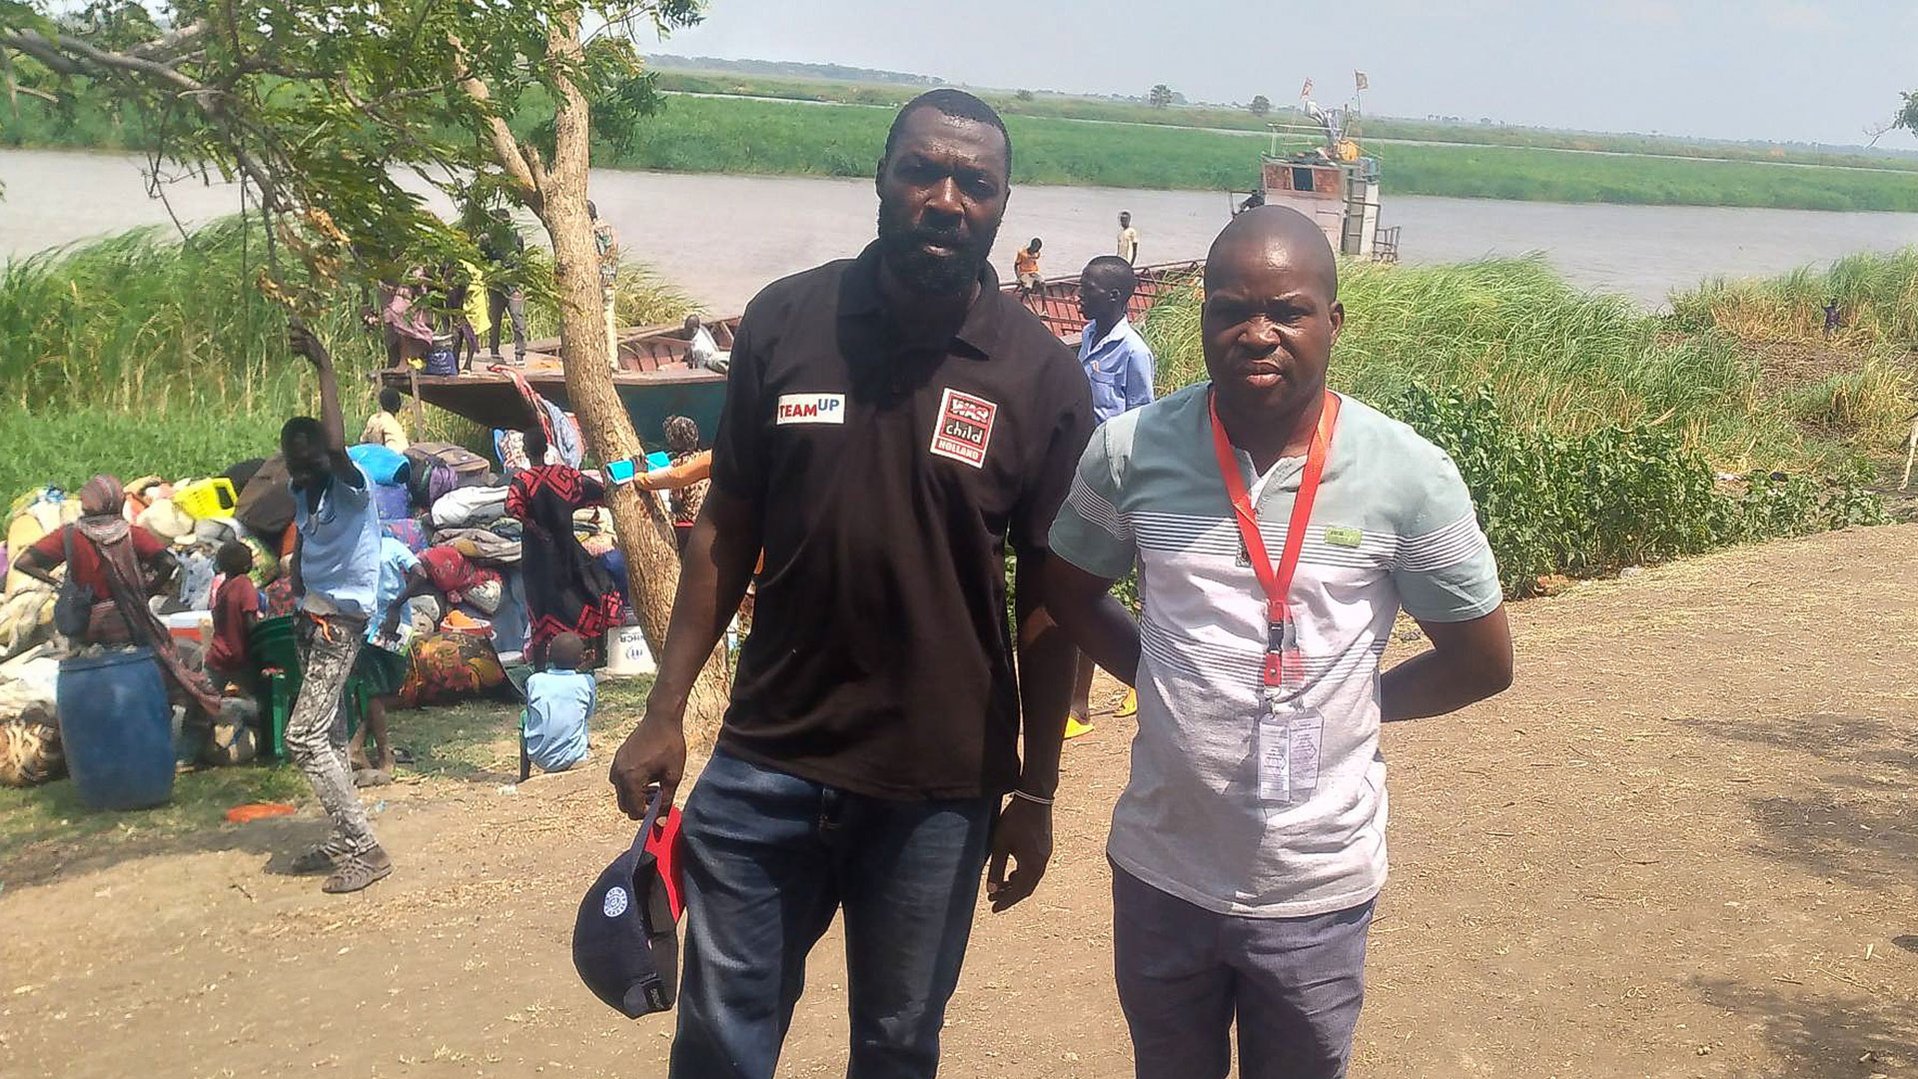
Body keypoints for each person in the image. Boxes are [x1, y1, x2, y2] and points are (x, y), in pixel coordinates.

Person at [609, 88, 1093, 1079]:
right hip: (766, 760)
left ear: (1000, 208)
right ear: (882, 175)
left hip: (938, 783)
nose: (946, 198)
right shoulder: (790, 319)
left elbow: (1048, 607)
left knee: (896, 1043)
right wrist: (667, 709)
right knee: (719, 1041)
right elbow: (728, 523)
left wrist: (1036, 787)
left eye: (975, 184)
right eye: (924, 170)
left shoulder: (1041, 378)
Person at [1044, 207, 1515, 1079]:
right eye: (1230, 308)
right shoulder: (1129, 452)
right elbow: (1067, 590)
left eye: (1288, 310)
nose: (1257, 332)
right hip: (1163, 868)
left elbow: (1484, 661)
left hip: (1316, 886)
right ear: (1202, 319)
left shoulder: (1406, 474)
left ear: (1333, 323)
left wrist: (1355, 703)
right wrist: (1163, 674)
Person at [281, 321, 393, 894]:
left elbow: (336, 445)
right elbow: (304, 542)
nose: (300, 471)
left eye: (308, 459)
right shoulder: (307, 491)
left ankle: (365, 847)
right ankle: (341, 834)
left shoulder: (351, 485)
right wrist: (294, 580)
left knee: (301, 737)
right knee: (327, 734)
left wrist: (326, 365)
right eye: (292, 462)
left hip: (339, 623)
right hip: (312, 617)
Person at [14, 475, 225, 739]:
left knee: (96, 681)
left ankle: (103, 739)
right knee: (161, 668)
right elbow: (168, 563)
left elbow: (25, 562)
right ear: (117, 501)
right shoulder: (131, 534)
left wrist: (58, 584)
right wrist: (146, 589)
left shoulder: (69, 535)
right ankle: (166, 730)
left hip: (84, 623)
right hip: (128, 620)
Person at [1065, 255, 1157, 739]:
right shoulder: (1088, 338)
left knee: (1117, 584)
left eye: (1088, 289)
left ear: (1116, 297)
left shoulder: (1133, 352)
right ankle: (1085, 701)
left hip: (1119, 484)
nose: (1079, 296)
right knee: (1084, 580)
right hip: (1085, 474)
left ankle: (1092, 700)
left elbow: (1140, 422)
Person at [506, 424, 623, 666]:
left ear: (526, 451)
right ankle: (598, 656)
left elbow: (512, 507)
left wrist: (535, 527)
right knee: (593, 591)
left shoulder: (522, 480)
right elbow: (598, 491)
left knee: (540, 608)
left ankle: (539, 667)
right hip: (566, 549)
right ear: (547, 449)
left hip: (537, 556)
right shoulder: (566, 475)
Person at [347, 536, 432, 787]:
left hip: (368, 627)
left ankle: (357, 744)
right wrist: (396, 605)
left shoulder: (353, 549)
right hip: (390, 627)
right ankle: (383, 754)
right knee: (380, 693)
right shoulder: (392, 546)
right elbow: (421, 574)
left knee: (385, 691)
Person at [522, 630, 597, 773]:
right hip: (574, 758)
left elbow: (531, 709)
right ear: (582, 658)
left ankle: (524, 774)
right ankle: (579, 751)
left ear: (549, 655)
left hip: (539, 757)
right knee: (580, 717)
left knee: (525, 716)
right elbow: (588, 713)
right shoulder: (587, 681)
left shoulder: (535, 680)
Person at [636, 415, 712, 552]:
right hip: (703, 522)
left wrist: (642, 477)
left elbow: (676, 500)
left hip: (684, 526)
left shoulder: (677, 465)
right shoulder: (703, 459)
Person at [205, 541, 261, 693]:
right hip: (238, 658)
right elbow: (250, 623)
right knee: (256, 702)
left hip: (217, 656)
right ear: (246, 564)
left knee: (205, 702)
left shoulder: (224, 586)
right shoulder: (244, 584)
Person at [481, 208, 529, 364]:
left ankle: (520, 353)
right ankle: (494, 350)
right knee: (495, 320)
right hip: (496, 285)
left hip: (514, 284)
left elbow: (521, 257)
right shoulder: (487, 239)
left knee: (518, 317)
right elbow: (482, 259)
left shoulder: (517, 237)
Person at [590, 200, 621, 367]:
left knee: (595, 321)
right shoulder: (611, 229)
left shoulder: (591, 232)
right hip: (611, 282)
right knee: (609, 320)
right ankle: (612, 359)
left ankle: (602, 360)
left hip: (597, 283)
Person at [361, 388, 411, 452]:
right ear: (398, 405)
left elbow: (363, 442)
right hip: (393, 459)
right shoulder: (393, 425)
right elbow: (401, 450)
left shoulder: (373, 419)